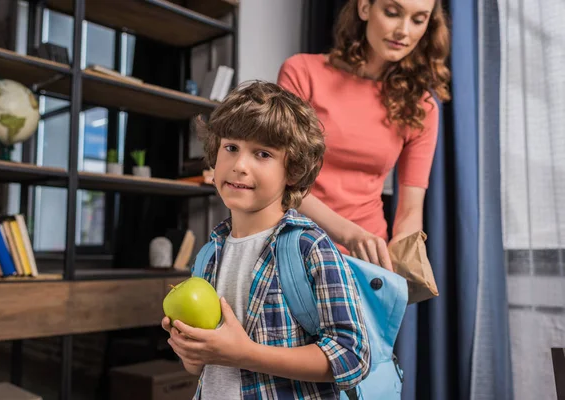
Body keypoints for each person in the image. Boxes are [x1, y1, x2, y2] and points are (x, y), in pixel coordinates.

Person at [161, 81, 370, 399]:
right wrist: (191, 353)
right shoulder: (208, 255)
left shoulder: (309, 248)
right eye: (231, 148)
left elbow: (352, 357)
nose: (239, 166)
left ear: (294, 171)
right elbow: (203, 366)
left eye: (262, 154)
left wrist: (245, 353)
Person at [277, 0, 451, 271]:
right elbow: (280, 180)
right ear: (365, 8)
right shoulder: (302, 73)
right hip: (294, 247)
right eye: (392, 13)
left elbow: (409, 212)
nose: (403, 30)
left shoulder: (422, 106)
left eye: (418, 20)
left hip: (366, 260)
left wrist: (403, 259)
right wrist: (349, 235)